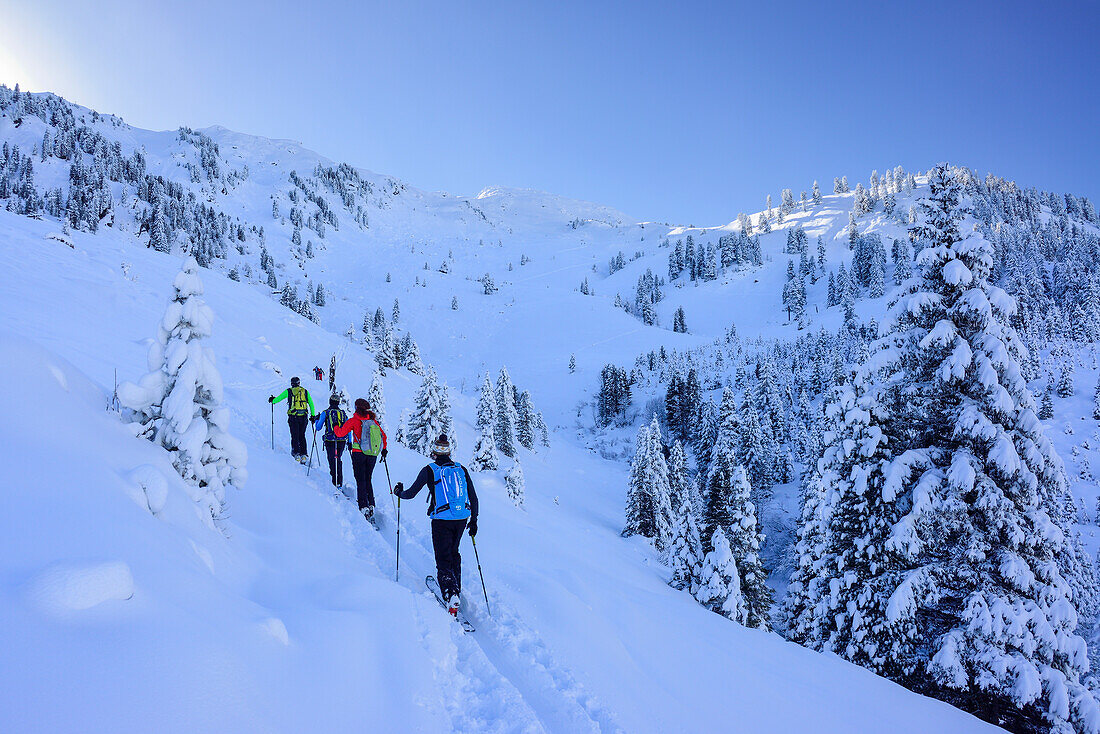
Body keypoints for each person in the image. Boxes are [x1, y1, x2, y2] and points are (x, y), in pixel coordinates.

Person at [393, 434, 478, 616]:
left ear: (434, 451)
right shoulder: (461, 469)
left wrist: (399, 492)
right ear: (449, 451)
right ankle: (456, 588)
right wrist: (474, 520)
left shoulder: (430, 469)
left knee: (442, 557)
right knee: (454, 552)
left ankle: (450, 593)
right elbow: (473, 497)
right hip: (462, 518)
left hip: (441, 520)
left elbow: (411, 494)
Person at [333, 398, 388, 521]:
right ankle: (371, 504)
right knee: (368, 479)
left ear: (357, 408)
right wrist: (383, 450)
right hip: (372, 455)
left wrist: (336, 426)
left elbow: (340, 433)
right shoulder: (373, 421)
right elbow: (383, 436)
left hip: (358, 454)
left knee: (360, 480)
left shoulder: (354, 421)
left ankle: (363, 506)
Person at [269, 377, 315, 462]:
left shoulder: (289, 391)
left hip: (293, 417)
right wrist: (313, 416)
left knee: (294, 435)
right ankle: (304, 454)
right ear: (299, 383)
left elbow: (278, 399)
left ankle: (296, 453)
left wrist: (273, 400)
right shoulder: (305, 392)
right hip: (304, 417)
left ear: (291, 383)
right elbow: (311, 404)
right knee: (302, 435)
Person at [313, 395, 348, 490]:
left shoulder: (326, 412)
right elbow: (348, 429)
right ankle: (339, 483)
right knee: (338, 459)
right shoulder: (343, 413)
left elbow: (318, 427)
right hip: (342, 440)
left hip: (330, 440)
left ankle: (334, 482)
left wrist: (316, 419)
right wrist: (349, 442)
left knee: (332, 460)